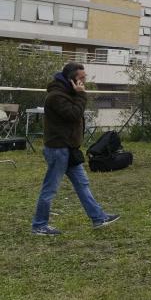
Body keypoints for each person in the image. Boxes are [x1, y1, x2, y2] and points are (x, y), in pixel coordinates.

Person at [31, 63, 120, 235]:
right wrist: (81, 96)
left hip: (69, 149)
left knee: (82, 184)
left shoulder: (67, 93)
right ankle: (39, 225)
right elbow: (73, 114)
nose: (84, 81)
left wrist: (78, 95)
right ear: (71, 79)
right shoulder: (56, 96)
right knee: (50, 188)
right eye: (81, 78)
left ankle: (98, 218)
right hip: (58, 149)